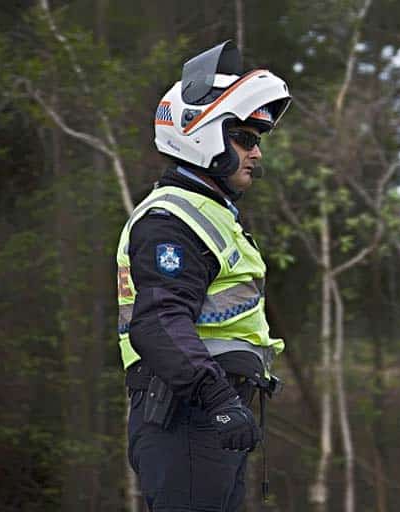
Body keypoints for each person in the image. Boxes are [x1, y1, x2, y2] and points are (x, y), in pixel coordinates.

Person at [115, 40, 291, 511]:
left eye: (257, 142)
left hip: (208, 417)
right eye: (245, 139)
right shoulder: (171, 219)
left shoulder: (208, 214)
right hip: (188, 417)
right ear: (202, 133)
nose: (256, 155)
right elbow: (158, 323)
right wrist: (219, 401)